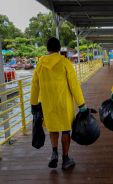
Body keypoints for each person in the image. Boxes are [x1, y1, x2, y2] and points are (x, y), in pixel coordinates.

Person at [30, 37, 87, 169]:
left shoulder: (40, 65)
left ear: (47, 49)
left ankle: (54, 153)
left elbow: (34, 86)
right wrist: (82, 105)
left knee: (53, 129)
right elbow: (74, 85)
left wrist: (33, 105)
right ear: (60, 49)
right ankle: (65, 159)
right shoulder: (65, 62)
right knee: (66, 131)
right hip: (64, 103)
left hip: (48, 104)